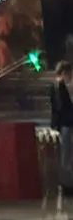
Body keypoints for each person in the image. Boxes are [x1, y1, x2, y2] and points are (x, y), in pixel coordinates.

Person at [51, 61, 73, 193]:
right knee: (66, 154)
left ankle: (67, 183)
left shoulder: (59, 86)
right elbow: (61, 107)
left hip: (65, 124)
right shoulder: (59, 86)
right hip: (66, 124)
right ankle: (67, 184)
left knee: (67, 154)